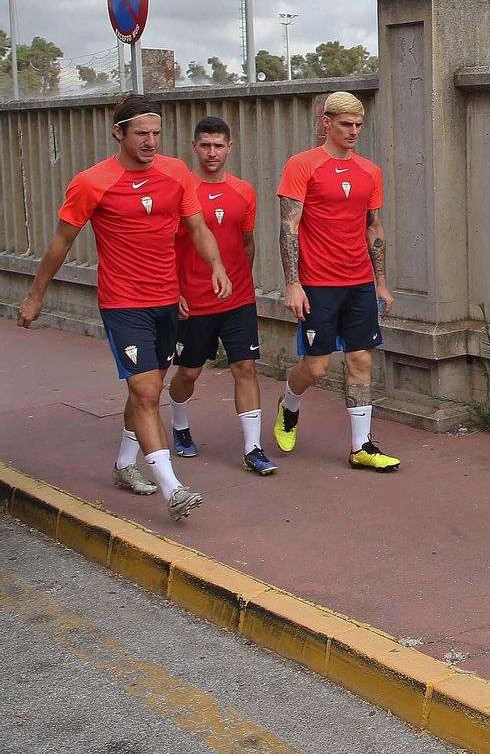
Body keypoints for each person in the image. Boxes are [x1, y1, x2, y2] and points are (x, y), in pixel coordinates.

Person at [16, 94, 231, 520]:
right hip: (123, 303)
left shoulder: (176, 174)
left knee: (146, 388)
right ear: (119, 133)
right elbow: (62, 242)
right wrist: (35, 294)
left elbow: (197, 226)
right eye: (141, 134)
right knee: (148, 390)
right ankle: (173, 489)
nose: (151, 142)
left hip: (168, 300)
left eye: (156, 133)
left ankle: (122, 464)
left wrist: (217, 266)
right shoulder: (92, 182)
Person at [274, 91, 396, 471]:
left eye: (359, 125)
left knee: (361, 359)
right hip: (317, 284)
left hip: (359, 281)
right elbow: (288, 226)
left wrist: (381, 282)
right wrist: (292, 283)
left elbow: (373, 227)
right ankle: (288, 405)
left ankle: (361, 447)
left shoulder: (369, 171)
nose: (354, 131)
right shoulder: (303, 165)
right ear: (326, 123)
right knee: (317, 367)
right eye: (346, 124)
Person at [167, 115, 277, 475]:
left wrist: (242, 281)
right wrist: (174, 291)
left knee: (245, 367)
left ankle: (253, 449)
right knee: (189, 373)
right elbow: (166, 246)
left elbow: (247, 243)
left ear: (230, 148)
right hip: (193, 301)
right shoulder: (180, 190)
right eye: (205, 145)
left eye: (218, 145)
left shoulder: (244, 191)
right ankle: (180, 426)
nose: (212, 152)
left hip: (238, 300)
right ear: (194, 147)